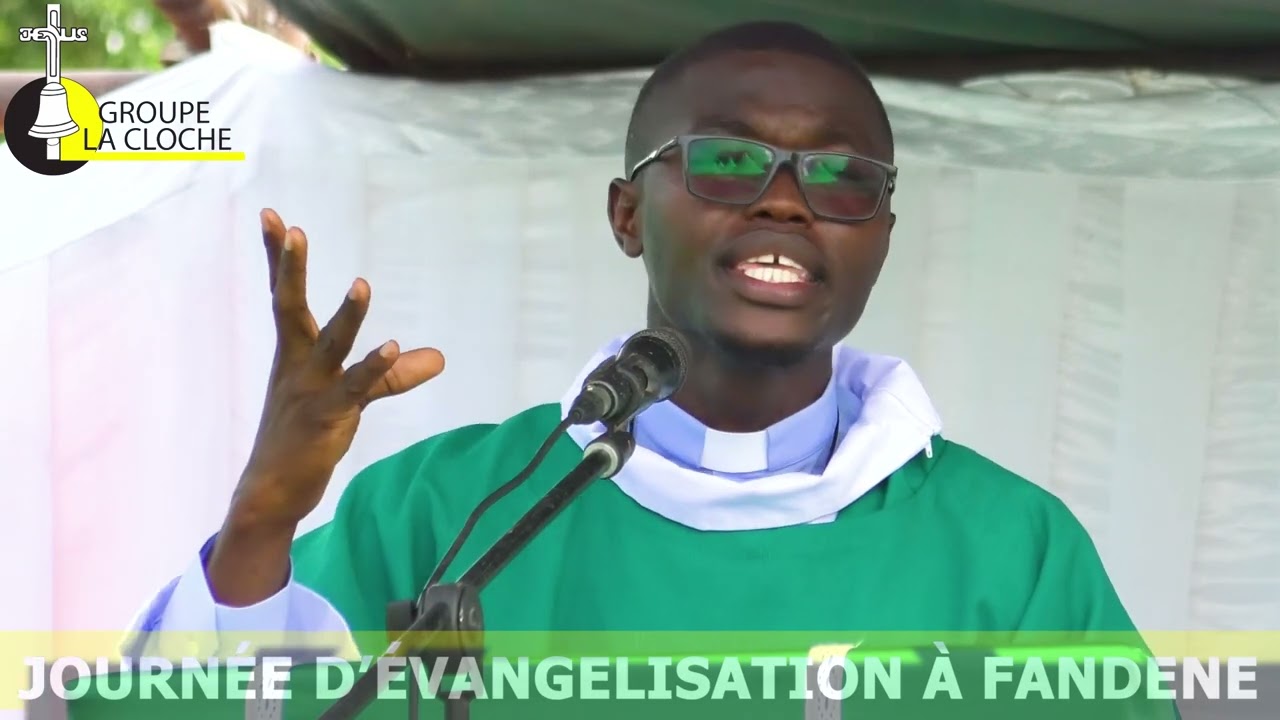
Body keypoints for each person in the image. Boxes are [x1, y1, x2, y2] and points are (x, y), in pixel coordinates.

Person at [132, 21, 1140, 663]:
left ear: (878, 236)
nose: (785, 202)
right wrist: (260, 521)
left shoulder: (1011, 550)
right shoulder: (443, 512)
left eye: (839, 179)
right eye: (727, 160)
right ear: (626, 215)